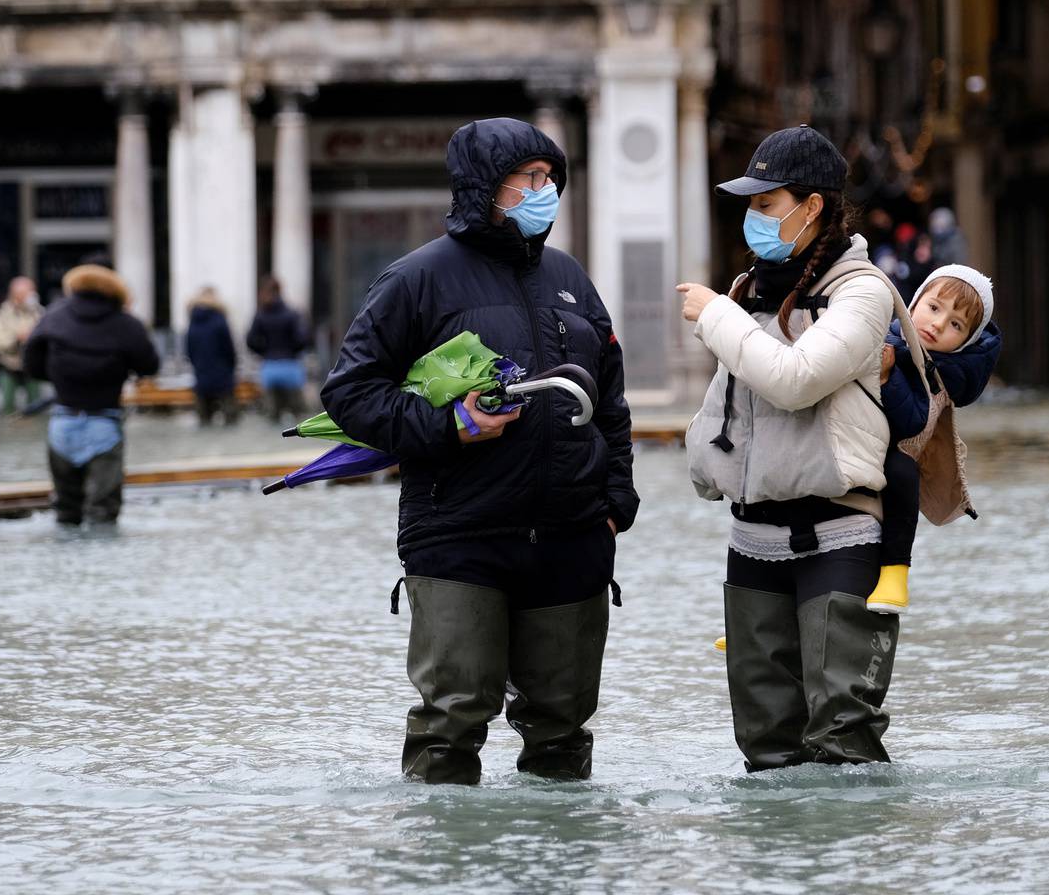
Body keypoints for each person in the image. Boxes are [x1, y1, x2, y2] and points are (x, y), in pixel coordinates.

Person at [319, 117, 636, 785]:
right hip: (459, 533)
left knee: (563, 724)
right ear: (483, 187)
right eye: (529, 178)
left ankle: (557, 870)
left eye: (550, 178)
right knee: (452, 718)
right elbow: (350, 393)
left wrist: (615, 502)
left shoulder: (571, 276)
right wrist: (449, 425)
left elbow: (610, 398)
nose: (544, 190)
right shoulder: (416, 279)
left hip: (572, 537)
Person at [677, 124, 904, 771]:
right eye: (749, 204)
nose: (752, 216)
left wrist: (717, 317)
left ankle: (846, 868)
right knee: (765, 746)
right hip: (752, 536)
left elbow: (796, 382)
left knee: (843, 736)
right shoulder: (752, 289)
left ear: (813, 207)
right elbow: (729, 404)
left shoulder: (862, 292)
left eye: (765, 203)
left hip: (842, 532)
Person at [871, 265, 1001, 614]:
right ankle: (757, 607)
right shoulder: (878, 330)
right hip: (844, 441)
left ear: (966, 341)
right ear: (913, 304)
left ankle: (896, 570)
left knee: (902, 473)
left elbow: (912, 422)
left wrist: (887, 378)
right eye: (934, 308)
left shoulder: (943, 372)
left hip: (892, 451)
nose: (939, 324)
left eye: (956, 325)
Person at [22, 265, 160, 527]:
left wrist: (57, 377)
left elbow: (30, 362)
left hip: (62, 422)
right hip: (104, 423)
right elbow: (150, 366)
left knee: (65, 510)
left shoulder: (54, 316)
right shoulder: (125, 324)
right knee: (103, 514)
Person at [247, 277, 311, 424]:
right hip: (290, 367)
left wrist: (264, 352)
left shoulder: (261, 315)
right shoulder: (292, 314)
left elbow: (250, 341)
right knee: (298, 417)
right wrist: (293, 352)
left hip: (269, 368)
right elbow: (302, 339)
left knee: (272, 417)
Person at [0, 276, 44, 414]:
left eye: (32, 291)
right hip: (8, 366)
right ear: (15, 294)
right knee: (7, 408)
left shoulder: (39, 312)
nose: (31, 295)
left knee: (36, 407)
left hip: (32, 367)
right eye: (27, 292)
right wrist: (17, 338)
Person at [184, 287, 238, 426]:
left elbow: (189, 350)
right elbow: (229, 349)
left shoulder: (193, 322)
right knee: (230, 420)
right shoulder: (220, 320)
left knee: (204, 421)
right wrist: (231, 367)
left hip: (201, 375)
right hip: (223, 375)